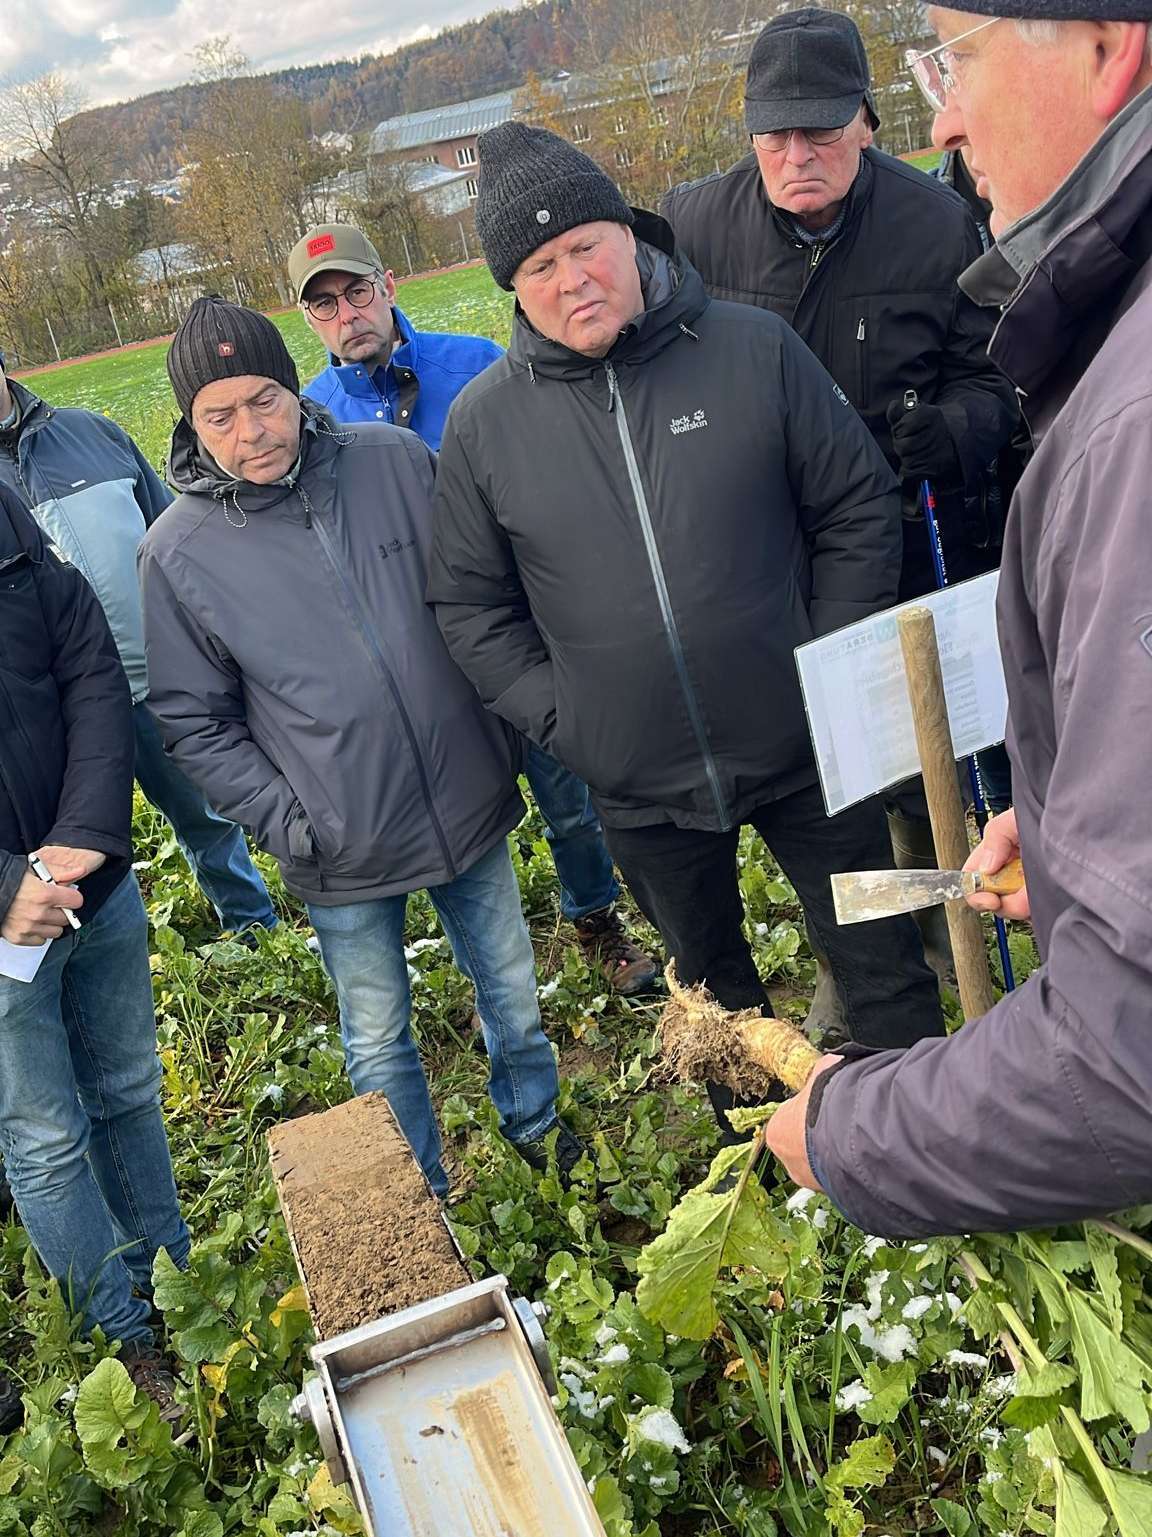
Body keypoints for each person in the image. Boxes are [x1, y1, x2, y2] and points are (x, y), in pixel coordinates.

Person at [428, 123, 945, 1137]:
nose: (571, 278)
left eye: (586, 246)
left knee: (880, 949)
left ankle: (917, 1142)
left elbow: (855, 503)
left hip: (811, 748)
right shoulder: (486, 425)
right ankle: (762, 1172)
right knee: (711, 996)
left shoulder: (753, 349)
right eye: (540, 266)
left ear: (631, 236)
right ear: (513, 287)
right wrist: (567, 719)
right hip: (640, 782)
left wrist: (825, 661)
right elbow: (469, 604)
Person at [765, 3, 1152, 1235]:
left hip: (938, 557)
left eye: (959, 56)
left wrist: (851, 1134)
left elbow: (1124, 1050)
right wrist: (1078, 840)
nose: (944, 112)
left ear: (1109, 49)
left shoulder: (1130, 423)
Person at [138, 296, 578, 1196]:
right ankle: (418, 1192)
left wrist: (503, 735)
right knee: (377, 1030)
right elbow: (193, 720)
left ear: (294, 389)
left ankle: (536, 1126)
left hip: (466, 794)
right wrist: (285, 820)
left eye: (263, 399)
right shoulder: (176, 554)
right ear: (189, 424)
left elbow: (482, 593)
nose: (251, 430)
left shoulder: (394, 462)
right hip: (338, 839)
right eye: (218, 415)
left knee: (513, 991)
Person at [661, 8, 1020, 1008]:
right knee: (814, 778)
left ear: (865, 121)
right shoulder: (696, 229)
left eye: (819, 131)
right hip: (754, 553)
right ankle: (856, 961)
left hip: (899, 544)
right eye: (775, 134)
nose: (796, 156)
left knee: (908, 755)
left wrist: (953, 430)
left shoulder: (937, 225)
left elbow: (1001, 384)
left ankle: (937, 934)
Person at [289, 223, 657, 997]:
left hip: (517, 624)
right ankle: (490, 958)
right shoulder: (311, 417)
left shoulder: (476, 365)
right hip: (415, 655)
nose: (347, 313)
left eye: (357, 290)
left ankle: (596, 917)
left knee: (566, 784)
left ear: (389, 283)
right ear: (308, 320)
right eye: (325, 305)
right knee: (455, 810)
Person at [0, 482, 188, 1422]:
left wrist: (83, 834)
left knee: (126, 1090)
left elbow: (93, 685)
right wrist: (6, 889)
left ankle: (174, 1281)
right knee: (43, 1140)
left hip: (94, 887)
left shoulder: (26, 553)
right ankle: (123, 1339)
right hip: (1, 937)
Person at [0, 357, 276, 938]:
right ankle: (96, 949)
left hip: (153, 680)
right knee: (65, 848)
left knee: (203, 816)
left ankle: (252, 926)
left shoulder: (90, 433)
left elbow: (170, 535)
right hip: (51, 714)